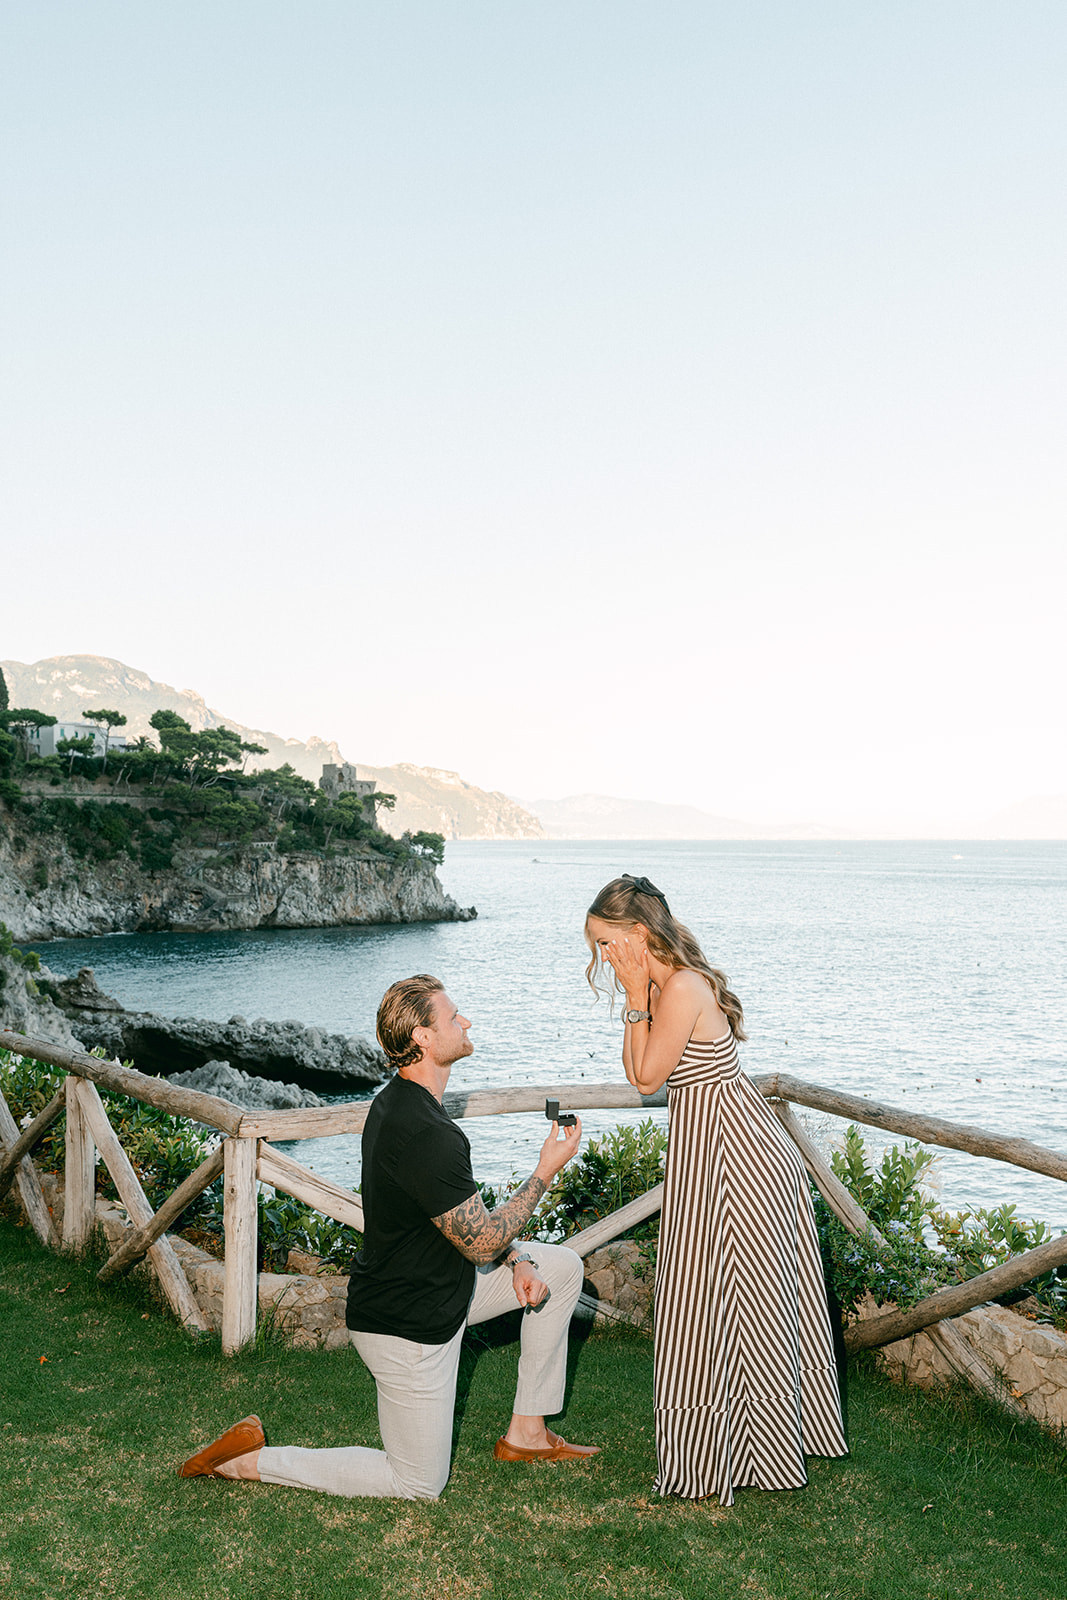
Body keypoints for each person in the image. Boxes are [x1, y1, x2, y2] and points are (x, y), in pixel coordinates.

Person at [179, 974, 599, 1498]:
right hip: (407, 1326)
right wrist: (545, 1170)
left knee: (559, 1267)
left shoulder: (400, 1102)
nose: (465, 1022)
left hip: (445, 1289)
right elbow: (481, 1242)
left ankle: (527, 1433)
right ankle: (249, 1460)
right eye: (452, 1017)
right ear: (422, 1037)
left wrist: (519, 1260)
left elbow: (456, 1220)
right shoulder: (426, 1132)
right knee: (418, 1483)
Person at [584, 875, 846, 1506]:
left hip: (738, 1159)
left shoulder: (681, 987)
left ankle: (748, 1452)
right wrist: (634, 994)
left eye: (606, 944)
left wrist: (634, 992)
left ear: (637, 935)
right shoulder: (662, 987)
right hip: (713, 1151)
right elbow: (641, 1072)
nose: (601, 958)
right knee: (708, 1303)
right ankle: (737, 1446)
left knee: (728, 1305)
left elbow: (647, 1075)